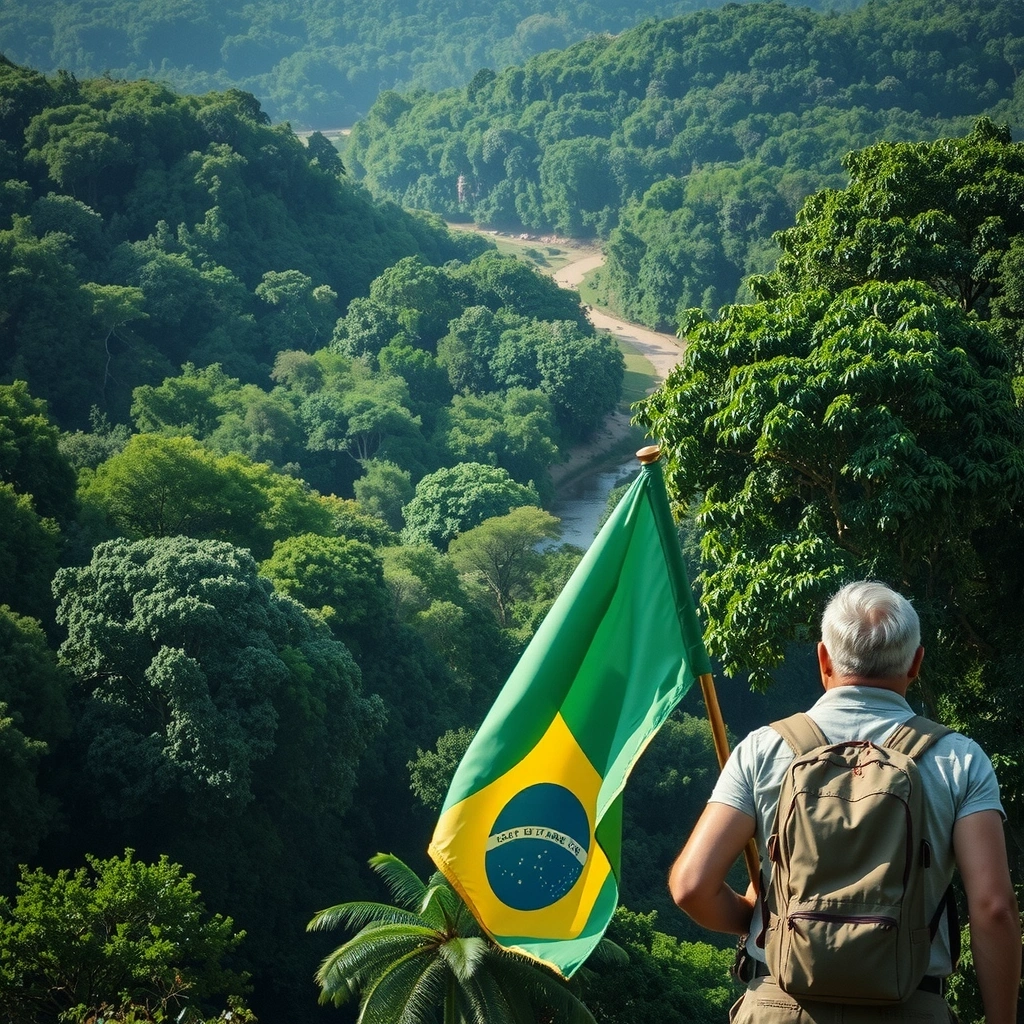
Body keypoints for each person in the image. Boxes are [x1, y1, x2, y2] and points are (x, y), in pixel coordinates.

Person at [669, 580, 1020, 1023]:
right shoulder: (959, 759)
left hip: (780, 1006)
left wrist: (770, 919)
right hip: (910, 1007)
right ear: (916, 663)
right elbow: (993, 907)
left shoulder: (764, 749)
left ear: (823, 658)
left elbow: (691, 887)